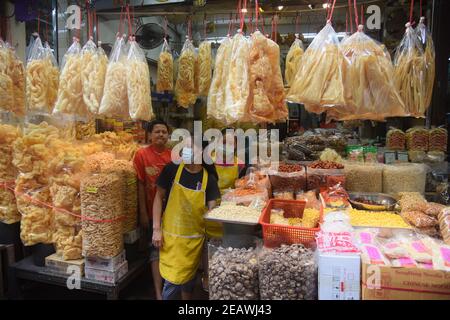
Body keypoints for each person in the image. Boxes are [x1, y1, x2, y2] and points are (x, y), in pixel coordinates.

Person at [152, 137, 220, 300]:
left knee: (188, 278)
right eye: (184, 148)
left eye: (191, 148)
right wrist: (156, 229)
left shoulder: (208, 179)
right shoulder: (172, 169)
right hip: (171, 238)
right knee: (173, 281)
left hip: (194, 241)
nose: (186, 151)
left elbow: (212, 209)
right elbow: (158, 198)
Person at [133, 120, 172, 301]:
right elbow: (140, 184)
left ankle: (167, 288)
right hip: (149, 211)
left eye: (164, 132)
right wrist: (142, 212)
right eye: (157, 132)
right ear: (149, 135)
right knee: (154, 252)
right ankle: (159, 293)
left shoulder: (173, 157)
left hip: (170, 214)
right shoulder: (141, 155)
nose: (161, 135)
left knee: (168, 250)